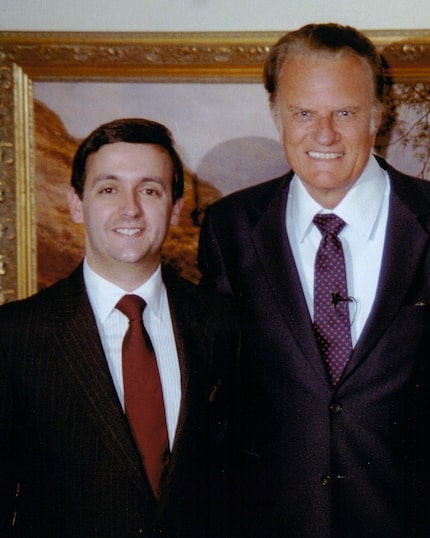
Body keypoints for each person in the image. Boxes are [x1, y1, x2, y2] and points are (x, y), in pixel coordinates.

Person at [198, 23, 430, 538]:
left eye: (344, 113)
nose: (323, 135)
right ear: (278, 117)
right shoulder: (230, 229)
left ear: (377, 115)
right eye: (304, 113)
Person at [0, 118, 240, 537]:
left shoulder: (224, 324)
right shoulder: (15, 336)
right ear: (76, 203)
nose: (130, 208)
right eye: (108, 189)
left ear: (176, 208)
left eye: (150, 190)